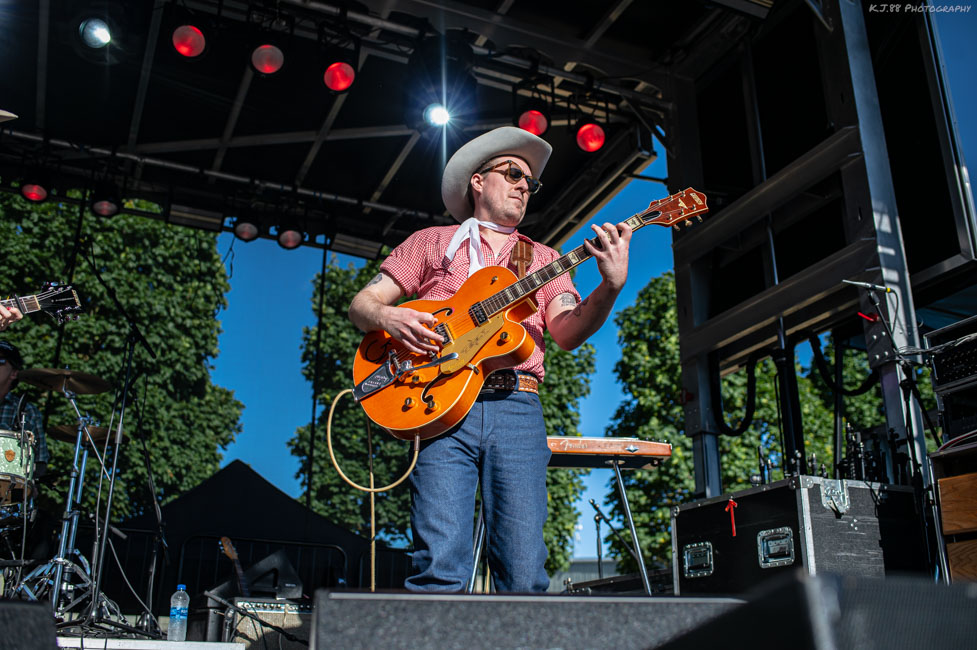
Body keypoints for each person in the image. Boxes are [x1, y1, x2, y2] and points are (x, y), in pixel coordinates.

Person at [348, 126, 631, 592]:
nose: (525, 185)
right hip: (436, 407)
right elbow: (363, 305)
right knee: (438, 567)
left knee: (523, 571)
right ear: (478, 181)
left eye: (531, 182)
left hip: (517, 408)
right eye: (514, 173)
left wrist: (611, 286)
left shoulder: (541, 257)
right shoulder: (430, 242)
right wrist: (391, 318)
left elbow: (567, 331)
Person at [0, 340, 49, 480]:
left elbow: (40, 462)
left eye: (1, 360)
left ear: (14, 373)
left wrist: (30, 483)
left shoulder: (27, 411)